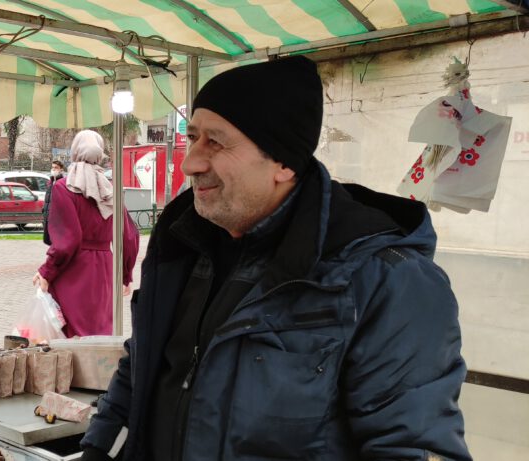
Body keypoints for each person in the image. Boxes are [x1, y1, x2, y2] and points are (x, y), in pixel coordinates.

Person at [80, 56, 470, 460]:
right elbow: (141, 369)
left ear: (283, 162)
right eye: (193, 137)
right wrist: (98, 450)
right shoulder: (183, 242)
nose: (190, 162)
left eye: (216, 142)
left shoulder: (386, 280)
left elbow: (410, 445)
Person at [33, 131, 139, 337]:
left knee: (70, 336)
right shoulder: (110, 190)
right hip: (105, 271)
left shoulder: (63, 188)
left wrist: (47, 271)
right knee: (100, 334)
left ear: (74, 151)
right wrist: (125, 274)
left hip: (74, 270)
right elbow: (129, 237)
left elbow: (67, 241)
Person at [42, 160, 65, 246]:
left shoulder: (63, 183)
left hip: (57, 219)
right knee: (50, 242)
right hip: (48, 218)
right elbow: (47, 199)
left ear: (61, 170)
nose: (53, 169)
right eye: (52, 167)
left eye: (56, 168)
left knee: (57, 243)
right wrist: (44, 211)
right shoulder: (50, 183)